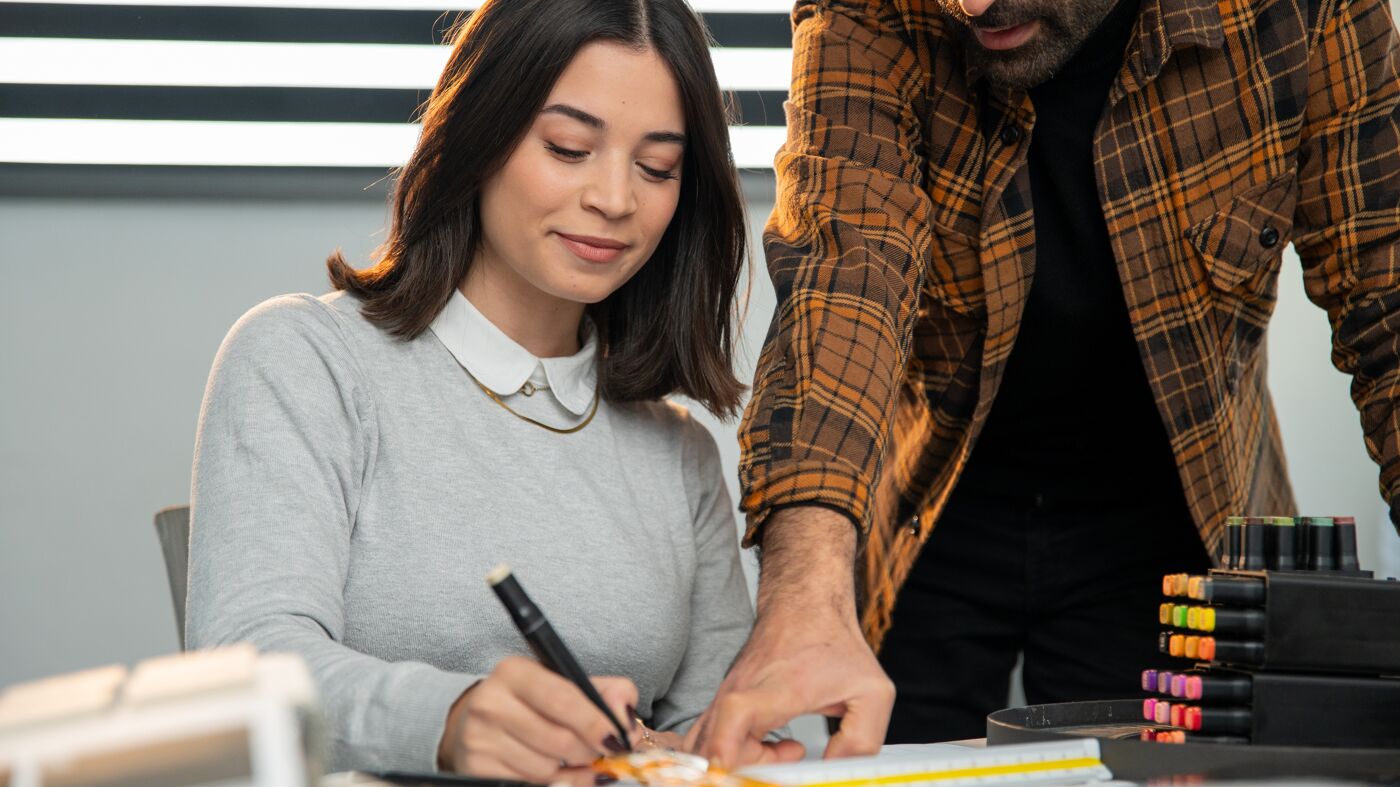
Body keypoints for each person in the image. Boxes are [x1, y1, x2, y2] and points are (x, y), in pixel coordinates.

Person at [690, 0, 1400, 761]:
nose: (968, 4)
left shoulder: (1304, 11)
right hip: (932, 504)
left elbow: (1387, 300)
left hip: (1164, 505)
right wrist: (803, 598)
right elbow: (843, 278)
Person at [185, 0, 802, 778]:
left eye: (656, 167)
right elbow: (248, 665)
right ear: (479, 136)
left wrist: (723, 746)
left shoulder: (675, 450)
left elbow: (715, 728)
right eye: (569, 147)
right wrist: (447, 720)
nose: (615, 199)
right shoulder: (305, 361)